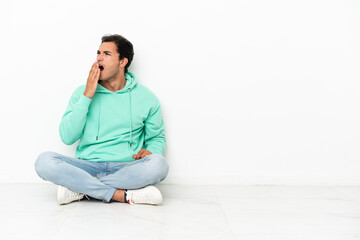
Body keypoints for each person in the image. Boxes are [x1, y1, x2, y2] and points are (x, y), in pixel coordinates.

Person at [35, 34, 169, 205]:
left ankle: (81, 190)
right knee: (44, 161)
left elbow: (157, 138)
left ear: (123, 62)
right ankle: (123, 195)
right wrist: (87, 96)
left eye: (107, 54)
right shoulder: (81, 93)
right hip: (87, 167)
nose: (99, 58)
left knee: (159, 164)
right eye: (98, 53)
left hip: (127, 168)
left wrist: (152, 150)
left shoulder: (146, 98)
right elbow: (67, 137)